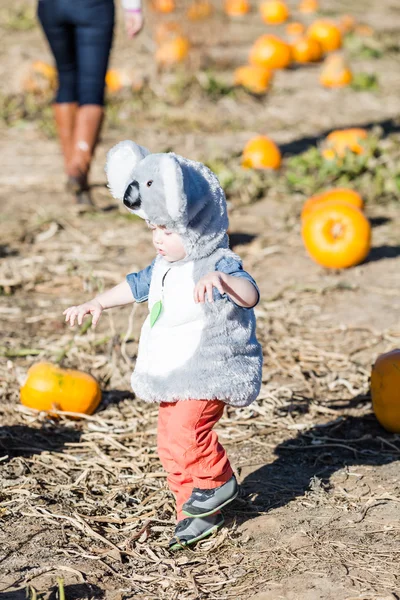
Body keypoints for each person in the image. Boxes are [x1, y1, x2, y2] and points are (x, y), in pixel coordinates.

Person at [63, 140, 263, 549]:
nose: (158, 238)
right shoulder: (163, 266)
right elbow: (134, 286)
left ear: (196, 225)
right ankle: (191, 509)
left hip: (208, 367)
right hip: (173, 368)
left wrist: (224, 283)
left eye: (168, 229)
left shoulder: (215, 261)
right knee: (169, 442)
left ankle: (217, 482)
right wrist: (97, 301)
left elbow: (251, 293)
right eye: (154, 228)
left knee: (189, 430)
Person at [37, 0, 144, 204]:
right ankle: (79, 170)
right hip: (93, 7)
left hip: (51, 6)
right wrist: (133, 8)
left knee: (66, 78)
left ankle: (73, 170)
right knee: (92, 87)